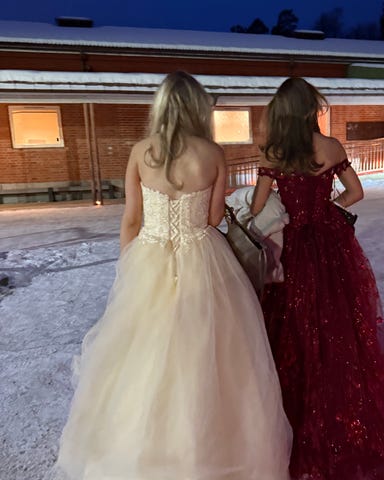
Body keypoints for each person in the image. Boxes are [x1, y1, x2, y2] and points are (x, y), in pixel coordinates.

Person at [44, 71, 292, 480]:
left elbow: (131, 220)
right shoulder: (212, 153)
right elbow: (213, 219)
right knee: (209, 354)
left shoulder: (141, 152)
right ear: (197, 109)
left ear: (160, 107)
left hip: (150, 257)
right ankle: (211, 450)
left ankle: (139, 453)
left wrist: (128, 272)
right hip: (203, 257)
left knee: (141, 355)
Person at [251, 77, 384, 480]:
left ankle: (291, 426)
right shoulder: (331, 147)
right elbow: (356, 192)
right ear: (311, 109)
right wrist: (329, 208)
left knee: (290, 330)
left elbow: (257, 207)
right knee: (338, 330)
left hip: (292, 249)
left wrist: (281, 205)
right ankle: (343, 421)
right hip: (330, 247)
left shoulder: (277, 152)